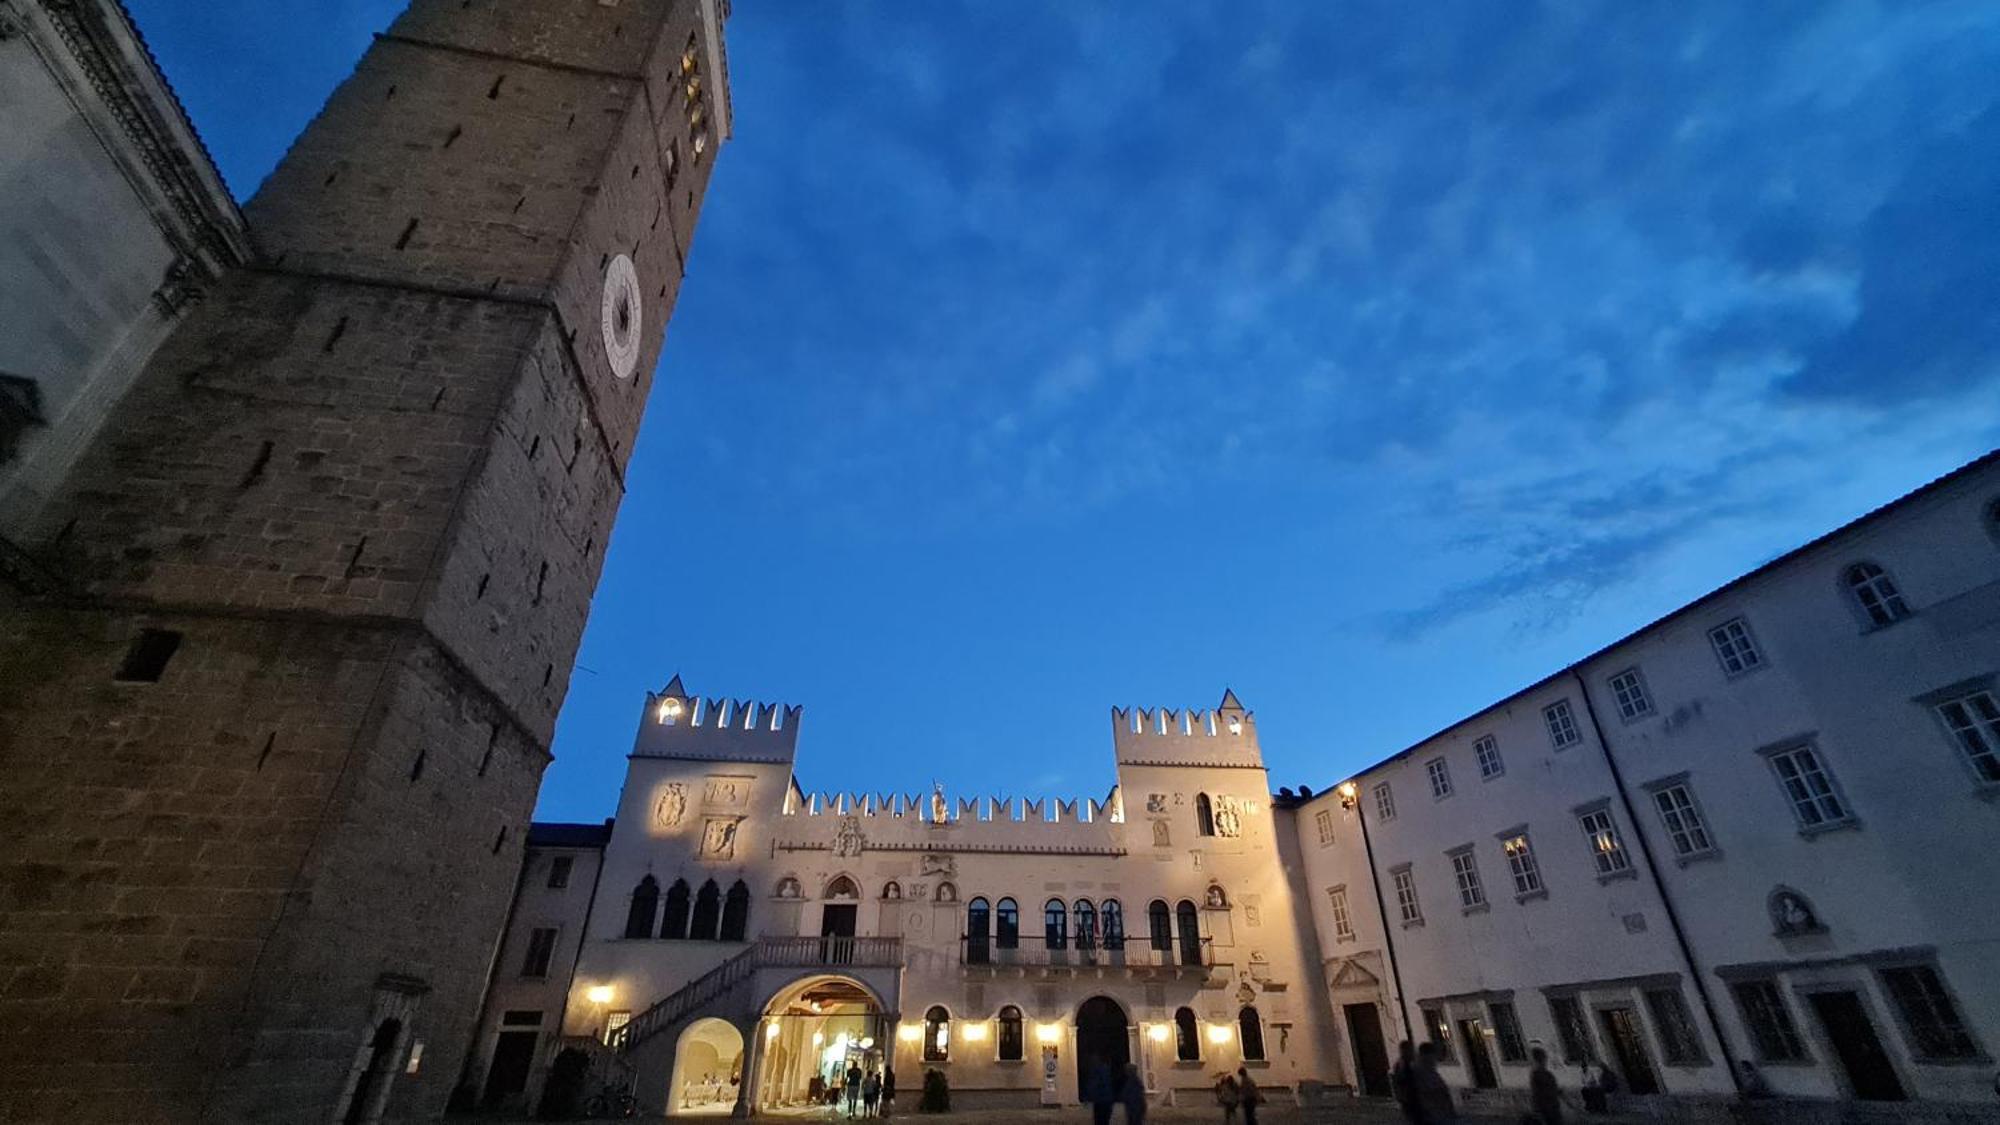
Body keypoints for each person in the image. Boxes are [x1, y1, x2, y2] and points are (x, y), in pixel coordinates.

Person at [1413, 1042, 1456, 1123]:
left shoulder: (1430, 1070)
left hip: (1439, 1113)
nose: (1435, 1059)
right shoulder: (1420, 1071)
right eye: (1433, 1055)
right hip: (1433, 1114)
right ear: (1426, 1055)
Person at [1390, 1041, 1425, 1124]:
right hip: (1411, 1099)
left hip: (1410, 1099)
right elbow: (1400, 1082)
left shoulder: (1404, 1063)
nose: (1413, 1051)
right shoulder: (1404, 1064)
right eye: (1411, 1049)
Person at [1528, 1047, 1563, 1125]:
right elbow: (1536, 1092)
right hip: (1547, 1107)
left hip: (1551, 1106)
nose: (1546, 1061)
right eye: (1544, 1058)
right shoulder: (1539, 1074)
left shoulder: (1544, 1073)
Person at [1084, 1057, 1118, 1125]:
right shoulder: (1107, 1071)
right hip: (1107, 1100)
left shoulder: (1096, 1072)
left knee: (1100, 1120)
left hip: (1100, 1101)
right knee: (1105, 1120)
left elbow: (1093, 1085)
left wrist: (1087, 1097)